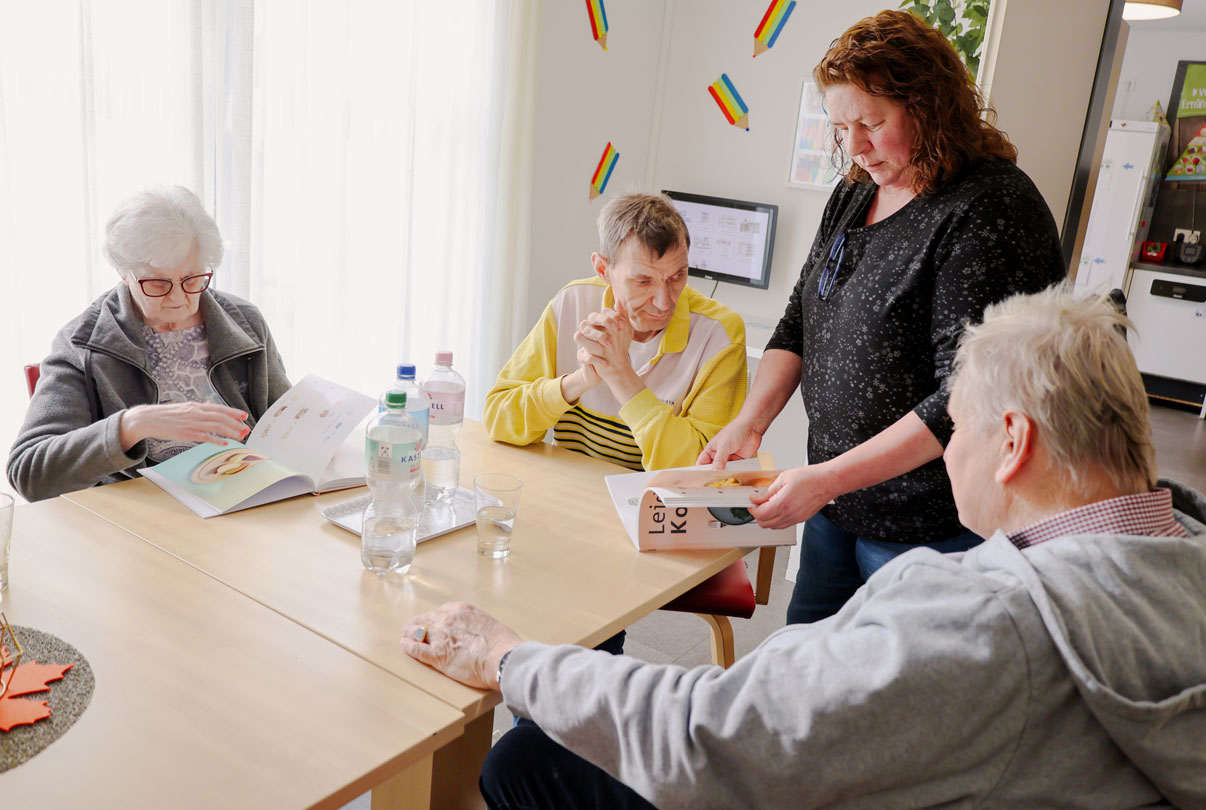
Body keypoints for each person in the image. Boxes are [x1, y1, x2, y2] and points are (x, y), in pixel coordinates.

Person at [400, 286, 1206, 810]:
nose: (946, 451)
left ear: (1013, 444)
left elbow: (706, 738)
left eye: (955, 427)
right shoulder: (1185, 561)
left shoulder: (979, 623)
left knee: (526, 759)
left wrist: (507, 657)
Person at [697, 10, 1067, 624]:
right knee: (806, 672)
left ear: (931, 107)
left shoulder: (989, 208)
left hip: (933, 527)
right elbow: (798, 319)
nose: (856, 146)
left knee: (899, 699)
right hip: (838, 509)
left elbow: (967, 397)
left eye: (871, 123)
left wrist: (827, 478)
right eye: (840, 127)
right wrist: (750, 423)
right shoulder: (856, 188)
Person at [8, 186, 290, 502]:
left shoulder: (244, 322)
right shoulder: (83, 344)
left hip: (243, 500)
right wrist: (132, 425)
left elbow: (285, 427)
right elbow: (29, 473)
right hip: (142, 521)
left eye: (193, 279)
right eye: (158, 283)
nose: (179, 298)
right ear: (123, 272)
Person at [483, 192, 747, 472]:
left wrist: (622, 377)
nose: (664, 301)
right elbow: (498, 419)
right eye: (643, 281)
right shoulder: (572, 302)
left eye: (677, 276)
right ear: (603, 269)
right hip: (573, 491)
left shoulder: (721, 334)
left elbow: (704, 468)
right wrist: (578, 381)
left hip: (656, 507)